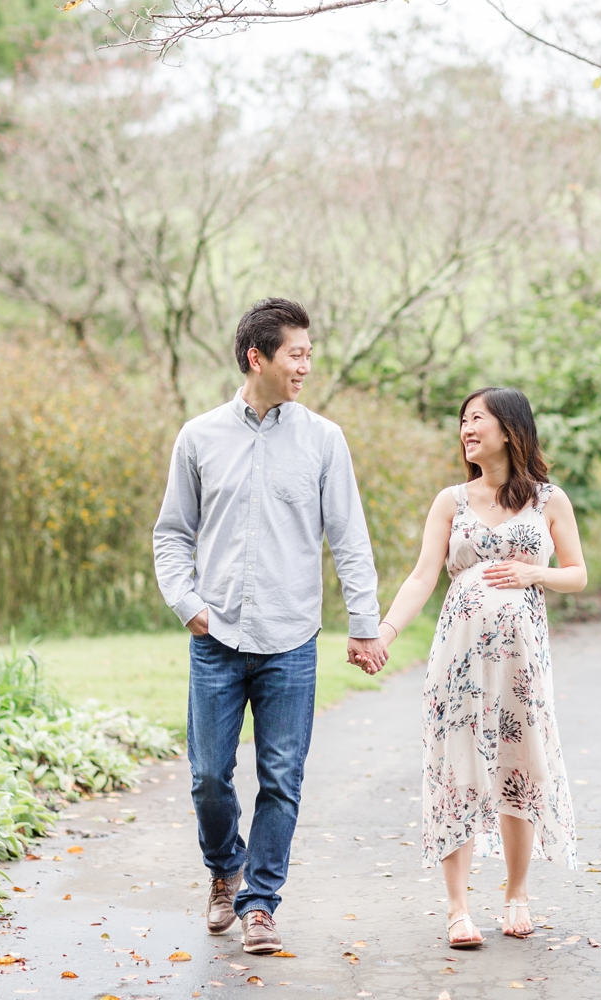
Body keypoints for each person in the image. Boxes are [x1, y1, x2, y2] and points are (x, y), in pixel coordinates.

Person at [153, 297, 389, 955]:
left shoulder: (323, 439)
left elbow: (350, 539)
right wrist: (187, 603)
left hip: (291, 640)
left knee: (282, 778)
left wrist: (363, 623)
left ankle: (260, 903)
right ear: (257, 357)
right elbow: (172, 533)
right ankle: (223, 868)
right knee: (207, 775)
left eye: (309, 353)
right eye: (297, 353)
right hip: (217, 637)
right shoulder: (199, 437)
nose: (307, 365)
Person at [373, 386, 586, 949]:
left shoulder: (549, 501)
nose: (466, 429)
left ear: (511, 430)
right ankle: (457, 908)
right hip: (459, 658)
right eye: (462, 420)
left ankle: (517, 894)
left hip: (521, 661)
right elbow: (423, 576)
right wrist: (386, 630)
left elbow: (578, 574)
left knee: (520, 761)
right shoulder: (451, 500)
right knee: (458, 767)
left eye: (478, 420)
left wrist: (532, 575)